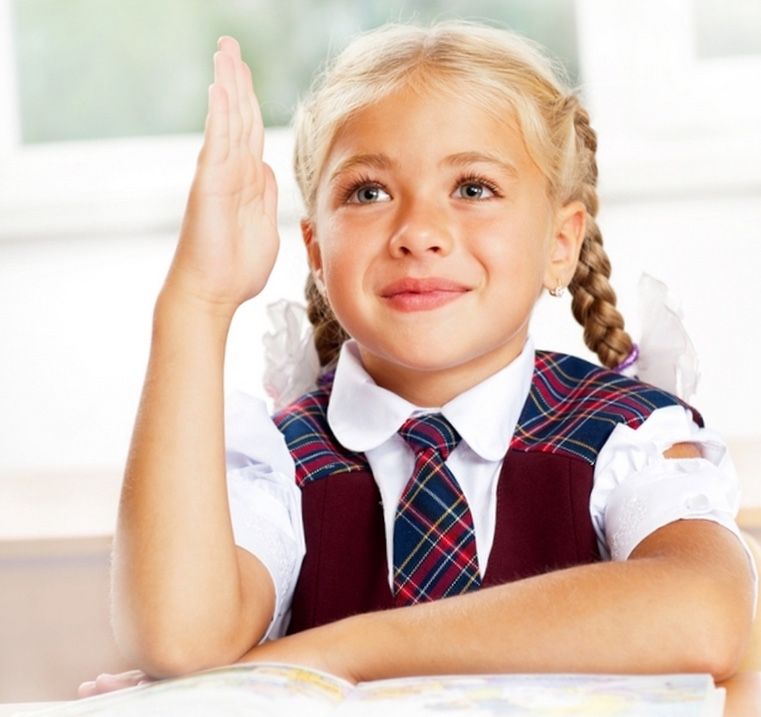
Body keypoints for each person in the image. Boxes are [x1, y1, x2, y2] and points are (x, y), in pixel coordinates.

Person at [81, 23, 755, 697]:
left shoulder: (626, 433)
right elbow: (179, 640)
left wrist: (331, 652)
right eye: (368, 192)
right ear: (316, 254)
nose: (418, 234)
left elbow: (705, 612)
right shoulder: (281, 460)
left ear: (560, 243)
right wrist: (197, 303)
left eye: (472, 188)